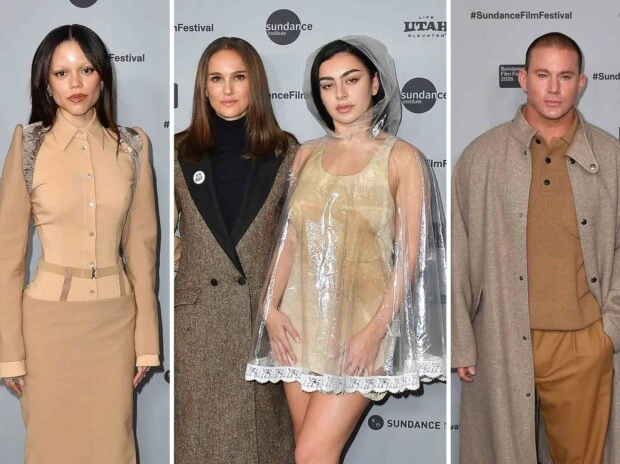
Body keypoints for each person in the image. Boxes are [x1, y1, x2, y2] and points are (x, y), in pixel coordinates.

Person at [246, 36, 446, 463]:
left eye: (351, 80)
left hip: (361, 325)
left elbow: (409, 257)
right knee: (309, 454)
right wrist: (269, 308)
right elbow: (288, 239)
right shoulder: (304, 155)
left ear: (374, 83)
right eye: (327, 84)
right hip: (297, 325)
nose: (339, 94)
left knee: (311, 453)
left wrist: (374, 332)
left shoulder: (403, 159)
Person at [452, 32, 620, 464]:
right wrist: (463, 340)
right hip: (501, 340)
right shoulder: (481, 156)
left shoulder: (611, 157)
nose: (553, 88)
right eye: (543, 75)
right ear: (523, 79)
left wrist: (610, 331)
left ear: (581, 83)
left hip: (583, 344)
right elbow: (458, 254)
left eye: (565, 76)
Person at [0, 24, 160, 464]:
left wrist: (146, 340)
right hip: (46, 329)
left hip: (114, 326)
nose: (75, 83)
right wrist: (10, 352)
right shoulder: (28, 144)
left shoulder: (133, 146)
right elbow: (7, 257)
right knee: (49, 449)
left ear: (102, 76)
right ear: (46, 83)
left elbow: (142, 251)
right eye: (62, 73)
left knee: (113, 449)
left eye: (86, 69)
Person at [174, 36, 298, 463]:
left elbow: (297, 238)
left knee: (264, 444)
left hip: (261, 322)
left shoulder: (286, 152)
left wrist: (274, 302)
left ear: (254, 84)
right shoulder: (179, 151)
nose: (227, 89)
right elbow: (157, 234)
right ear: (203, 87)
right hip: (198, 328)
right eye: (217, 78)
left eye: (238, 77)